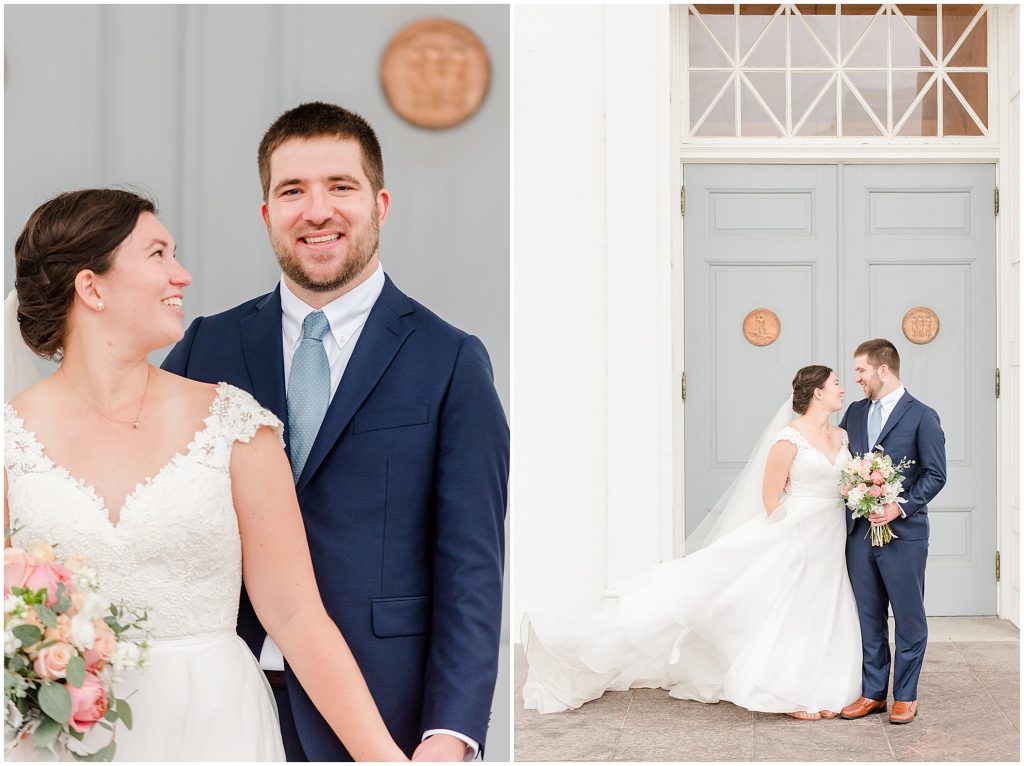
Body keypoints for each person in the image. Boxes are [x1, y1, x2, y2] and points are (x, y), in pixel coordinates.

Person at [5, 189, 407, 761]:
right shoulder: (9, 440)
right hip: (61, 737)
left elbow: (296, 617)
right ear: (92, 288)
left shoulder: (235, 426)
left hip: (214, 725)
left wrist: (385, 758)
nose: (183, 275)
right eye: (158, 255)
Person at [161, 102, 509, 761]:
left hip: (383, 714)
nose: (316, 211)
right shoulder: (207, 346)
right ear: (267, 214)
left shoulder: (451, 361)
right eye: (292, 191)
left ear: (380, 204)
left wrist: (451, 734)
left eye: (340, 187)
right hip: (218, 704)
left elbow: (472, 568)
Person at [521, 365, 861, 719]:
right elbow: (771, 498)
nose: (841, 388)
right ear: (817, 392)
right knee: (776, 608)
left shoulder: (842, 437)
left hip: (831, 538)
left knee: (820, 610)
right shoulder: (789, 439)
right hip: (796, 537)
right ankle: (787, 693)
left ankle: (819, 688)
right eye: (836, 383)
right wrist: (792, 541)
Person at [838, 339, 946, 725]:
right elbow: (840, 460)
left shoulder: (922, 416)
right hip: (859, 536)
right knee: (869, 617)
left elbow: (936, 474)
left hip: (904, 535)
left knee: (908, 616)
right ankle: (872, 693)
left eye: (861, 371)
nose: (857, 379)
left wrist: (898, 506)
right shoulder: (852, 412)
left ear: (883, 370)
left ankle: (905, 695)